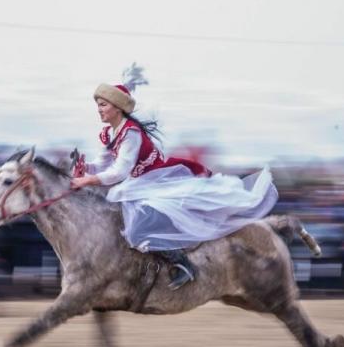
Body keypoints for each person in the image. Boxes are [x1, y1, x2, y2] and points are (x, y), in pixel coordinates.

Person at [71, 65, 279, 290]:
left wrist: (88, 180)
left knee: (137, 227)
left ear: (117, 107)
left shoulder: (130, 132)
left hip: (156, 180)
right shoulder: (111, 132)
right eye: (98, 105)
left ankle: (183, 264)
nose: (99, 110)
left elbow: (120, 171)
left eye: (102, 105)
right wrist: (87, 168)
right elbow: (105, 164)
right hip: (140, 182)